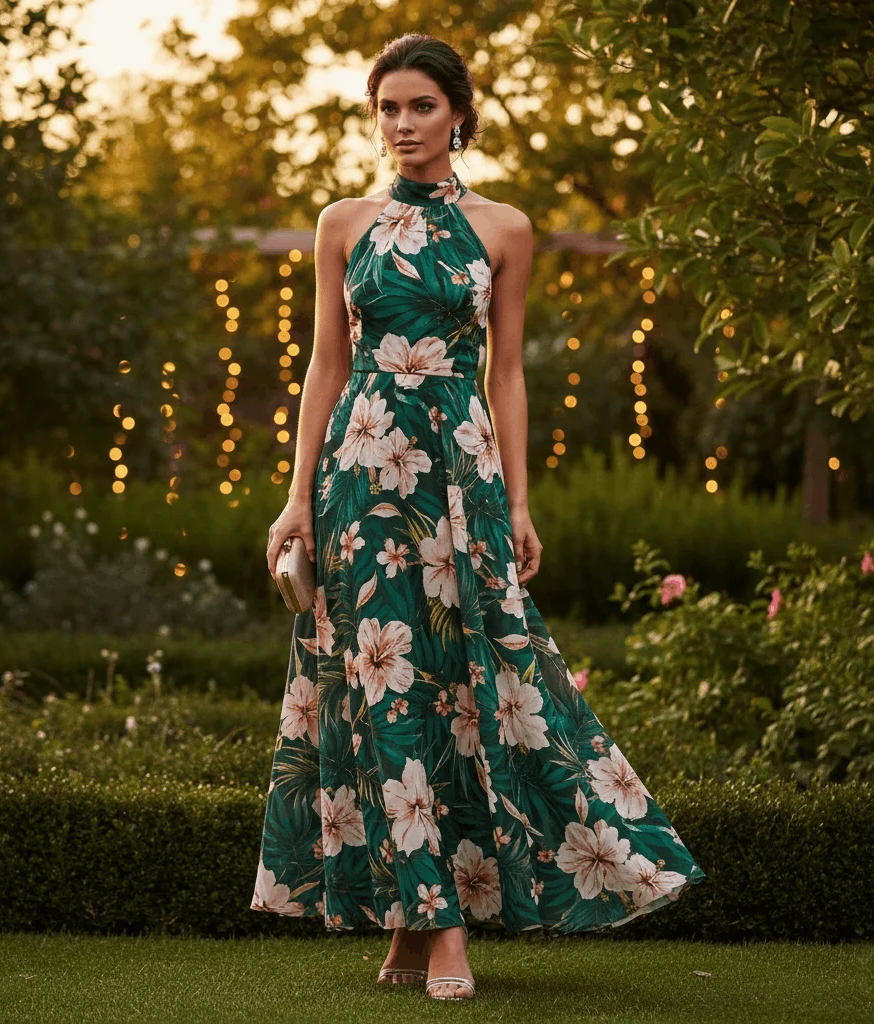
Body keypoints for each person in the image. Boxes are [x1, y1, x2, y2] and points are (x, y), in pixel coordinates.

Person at [253, 32, 706, 1003]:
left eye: (420, 107)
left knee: (480, 673)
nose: (402, 126)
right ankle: (433, 925)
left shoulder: (503, 228)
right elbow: (325, 366)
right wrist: (296, 498)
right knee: (382, 690)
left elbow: (506, 374)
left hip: (459, 475)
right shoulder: (342, 223)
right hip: (360, 475)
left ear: (459, 112)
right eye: (386, 108)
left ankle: (447, 917)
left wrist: (518, 495)